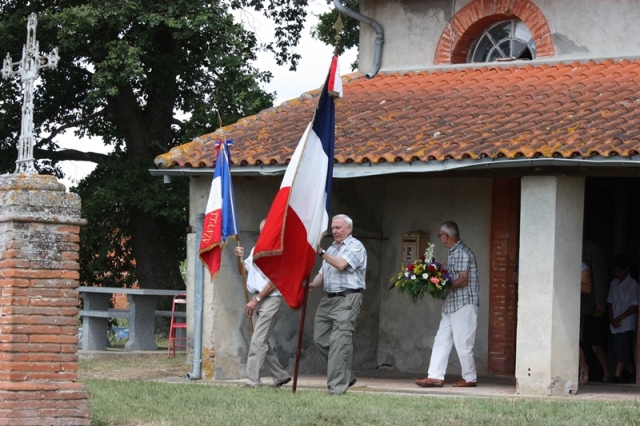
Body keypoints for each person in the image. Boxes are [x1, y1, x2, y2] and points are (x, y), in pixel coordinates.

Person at [415, 220, 479, 388]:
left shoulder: (461, 252)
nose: (440, 239)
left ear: (447, 236)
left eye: (440, 235)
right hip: (451, 304)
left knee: (463, 342)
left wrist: (442, 285)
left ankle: (470, 378)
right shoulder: (453, 252)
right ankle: (435, 376)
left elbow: (463, 279)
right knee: (441, 340)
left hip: (463, 303)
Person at [310, 214, 367, 395]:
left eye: (338, 228)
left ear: (348, 229)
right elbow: (322, 273)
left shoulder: (355, 246)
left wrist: (321, 252)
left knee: (339, 343)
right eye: (333, 228)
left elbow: (341, 264)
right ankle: (344, 374)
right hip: (328, 300)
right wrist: (312, 284)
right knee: (320, 340)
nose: (335, 231)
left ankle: (336, 389)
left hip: (347, 299)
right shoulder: (331, 248)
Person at [234, 219, 291, 389]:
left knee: (258, 340)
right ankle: (281, 376)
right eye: (261, 231)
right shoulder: (256, 249)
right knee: (260, 339)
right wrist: (239, 258)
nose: (263, 234)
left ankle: (253, 381)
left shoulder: (279, 251)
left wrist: (256, 300)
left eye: (267, 230)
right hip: (260, 298)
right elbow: (243, 270)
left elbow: (274, 280)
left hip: (272, 299)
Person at [582, 239, 611, 381]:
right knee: (583, 343)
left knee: (595, 343)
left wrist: (600, 300)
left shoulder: (592, 248)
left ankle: (606, 373)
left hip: (591, 305)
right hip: (579, 306)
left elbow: (600, 275)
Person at [607, 255, 638, 383]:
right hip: (614, 323)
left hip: (626, 323)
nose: (617, 273)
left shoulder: (633, 285)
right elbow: (609, 302)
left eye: (619, 270)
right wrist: (612, 318)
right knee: (621, 351)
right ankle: (632, 372)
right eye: (615, 271)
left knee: (622, 348)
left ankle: (617, 376)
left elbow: (635, 305)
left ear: (626, 269)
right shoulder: (613, 284)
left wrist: (620, 318)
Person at [579, 262, 593, 385]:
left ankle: (583, 367)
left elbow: (587, 288)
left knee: (574, 342)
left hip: (574, 310)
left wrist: (568, 280)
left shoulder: (582, 267)